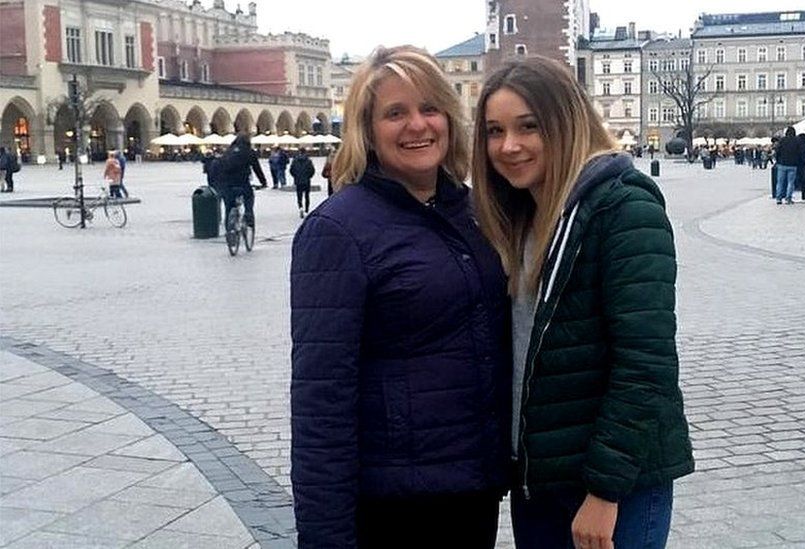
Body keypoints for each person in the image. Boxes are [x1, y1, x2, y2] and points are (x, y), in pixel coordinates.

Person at [289, 45, 510, 549]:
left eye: (430, 108)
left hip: (470, 489)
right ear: (367, 130)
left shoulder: (472, 211)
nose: (418, 125)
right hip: (395, 508)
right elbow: (321, 402)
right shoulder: (338, 230)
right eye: (396, 113)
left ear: (450, 119)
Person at [472, 56, 694, 549]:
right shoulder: (520, 215)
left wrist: (604, 491)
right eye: (493, 131)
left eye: (528, 126)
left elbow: (646, 363)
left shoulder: (623, 207)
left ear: (566, 121)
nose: (508, 146)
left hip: (615, 483)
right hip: (542, 476)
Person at [210, 133, 266, 230]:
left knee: (229, 206)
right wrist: (263, 182)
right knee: (249, 198)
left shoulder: (228, 152)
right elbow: (257, 169)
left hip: (227, 184)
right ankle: (248, 214)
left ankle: (229, 229)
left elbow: (220, 167)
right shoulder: (249, 152)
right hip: (242, 182)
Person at [774, 127, 802, 204]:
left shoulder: (782, 140)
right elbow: (799, 153)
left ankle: (778, 198)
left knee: (780, 182)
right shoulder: (797, 140)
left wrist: (777, 160)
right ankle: (788, 198)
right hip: (793, 165)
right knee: (791, 182)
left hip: (782, 164)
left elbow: (777, 151)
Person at [289, 147, 315, 217]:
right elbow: (312, 170)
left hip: (298, 180)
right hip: (306, 181)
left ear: (299, 152)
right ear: (305, 152)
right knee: (307, 196)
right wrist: (309, 176)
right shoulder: (308, 160)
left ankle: (300, 207)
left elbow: (291, 170)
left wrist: (295, 176)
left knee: (299, 196)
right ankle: (306, 209)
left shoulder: (295, 160)